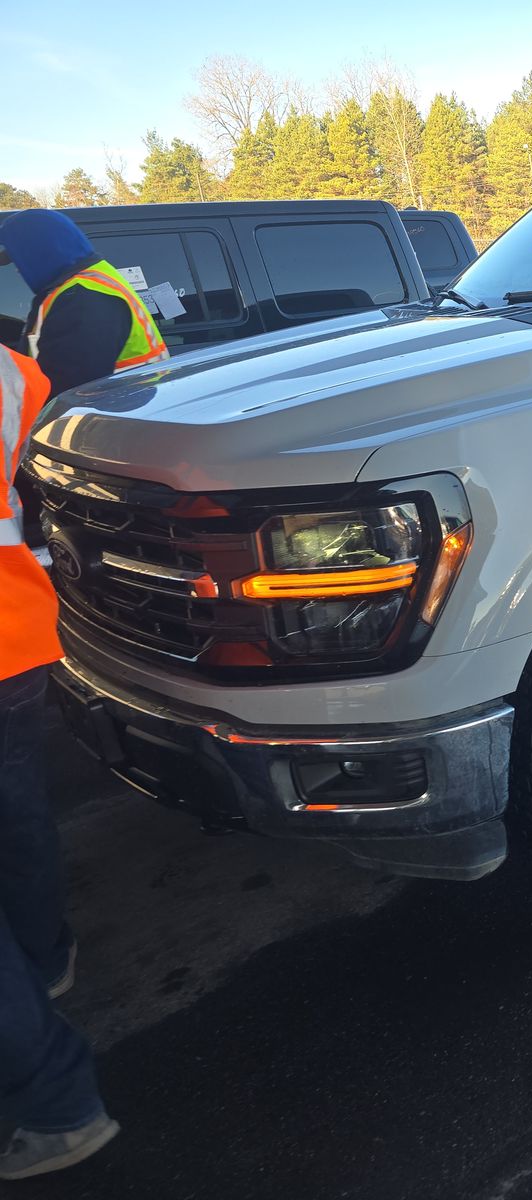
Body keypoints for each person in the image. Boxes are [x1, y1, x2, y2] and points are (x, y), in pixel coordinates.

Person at [0, 345, 118, 1180]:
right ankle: (45, 959)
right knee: (17, 813)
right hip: (13, 631)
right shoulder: (10, 367)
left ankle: (55, 1097)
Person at [0, 209, 167, 400]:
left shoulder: (83, 299)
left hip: (115, 418)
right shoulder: (84, 283)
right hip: (127, 413)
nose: (18, 271)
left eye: (20, 261)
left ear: (39, 253)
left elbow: (63, 392)